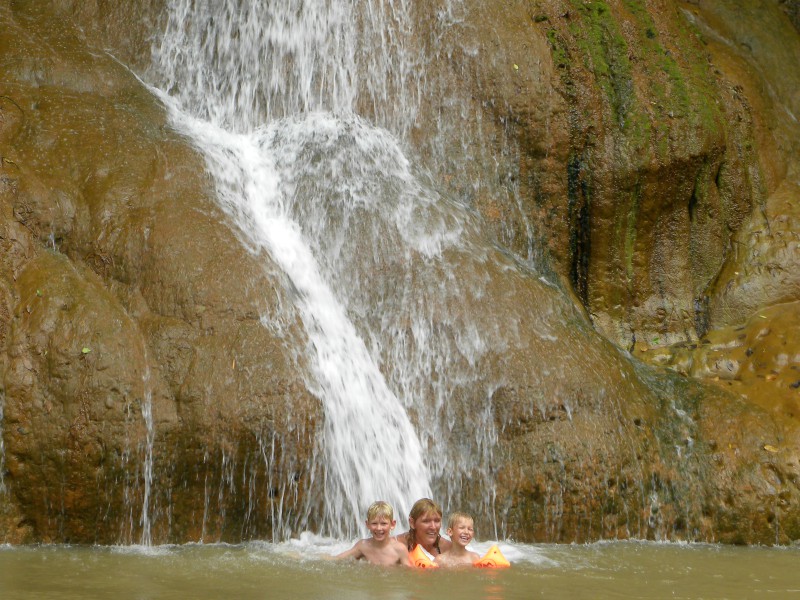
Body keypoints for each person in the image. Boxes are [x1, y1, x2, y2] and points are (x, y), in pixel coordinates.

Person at [334, 501, 412, 566]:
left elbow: (408, 573)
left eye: (383, 523)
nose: (378, 528)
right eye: (374, 523)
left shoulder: (400, 549)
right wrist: (322, 557)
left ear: (392, 524)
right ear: (367, 524)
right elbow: (338, 559)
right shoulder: (363, 546)